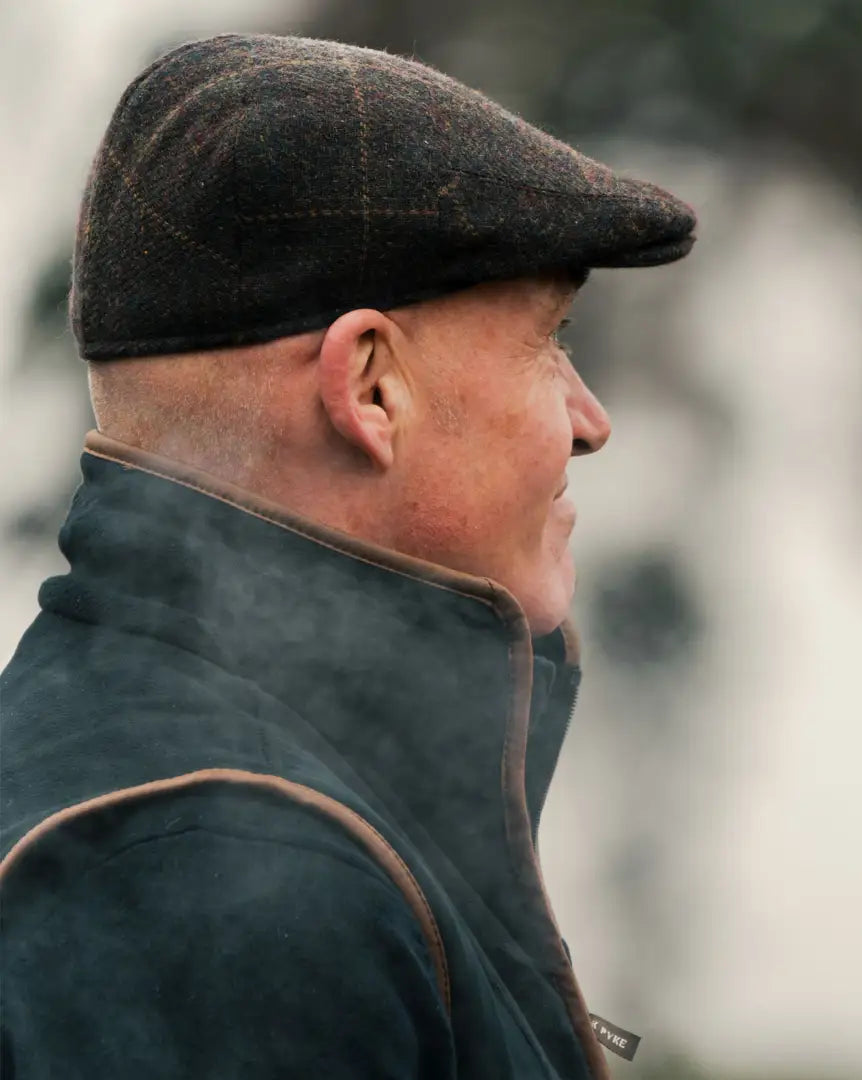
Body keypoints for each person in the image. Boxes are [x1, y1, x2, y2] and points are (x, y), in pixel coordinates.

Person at [0, 33, 694, 1079]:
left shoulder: (208, 797)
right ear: (371, 387)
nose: (588, 420)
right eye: (547, 340)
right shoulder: (214, 864)